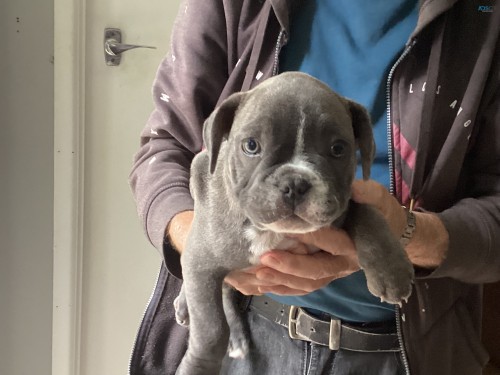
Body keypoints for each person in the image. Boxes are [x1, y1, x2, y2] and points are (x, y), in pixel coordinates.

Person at [129, 0, 500, 374]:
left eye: (338, 149)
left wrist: (409, 234)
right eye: (254, 146)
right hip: (245, 333)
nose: (294, 186)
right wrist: (204, 250)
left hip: (404, 348)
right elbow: (166, 147)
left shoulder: (486, 16)